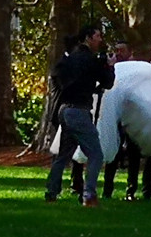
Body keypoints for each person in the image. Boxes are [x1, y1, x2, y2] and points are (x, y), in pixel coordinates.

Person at [45, 23, 114, 205]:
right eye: (98, 36)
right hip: (79, 111)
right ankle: (89, 195)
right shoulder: (91, 60)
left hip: (64, 109)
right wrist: (109, 66)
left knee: (65, 154)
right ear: (88, 38)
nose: (100, 40)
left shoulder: (69, 58)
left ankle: (52, 191)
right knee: (96, 154)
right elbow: (107, 83)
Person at [102, 42, 148, 200]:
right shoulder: (109, 69)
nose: (118, 53)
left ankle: (131, 190)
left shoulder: (136, 71)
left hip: (132, 117)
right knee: (112, 154)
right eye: (116, 50)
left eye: (122, 50)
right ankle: (107, 189)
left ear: (130, 52)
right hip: (114, 116)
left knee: (134, 154)